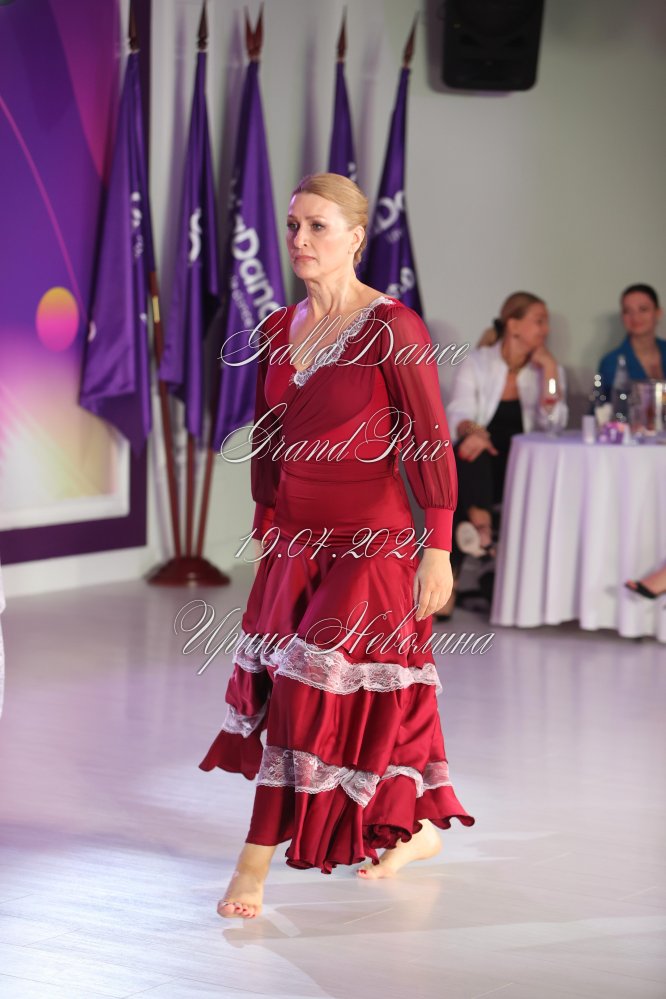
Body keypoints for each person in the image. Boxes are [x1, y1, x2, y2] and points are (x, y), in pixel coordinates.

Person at [199, 173, 475, 919]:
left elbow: (427, 438)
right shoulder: (275, 327)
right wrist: (266, 522)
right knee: (344, 697)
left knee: (305, 690)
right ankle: (416, 826)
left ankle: (253, 861)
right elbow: (270, 436)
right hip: (294, 539)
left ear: (356, 237)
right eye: (293, 225)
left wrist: (438, 546)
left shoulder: (394, 327)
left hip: (373, 542)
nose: (300, 240)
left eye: (318, 226)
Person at [440, 292, 568, 614]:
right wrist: (475, 432)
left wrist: (550, 371)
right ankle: (483, 529)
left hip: (526, 467)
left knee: (464, 478)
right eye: (539, 321)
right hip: (483, 462)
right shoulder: (478, 362)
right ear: (513, 325)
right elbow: (458, 413)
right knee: (471, 451)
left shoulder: (546, 369)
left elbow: (554, 422)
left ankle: (473, 545)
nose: (546, 329)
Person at [598, 284, 665, 397]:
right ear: (622, 317)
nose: (635, 317)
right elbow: (601, 405)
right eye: (627, 311)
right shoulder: (611, 363)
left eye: (643, 309)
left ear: (658, 313)